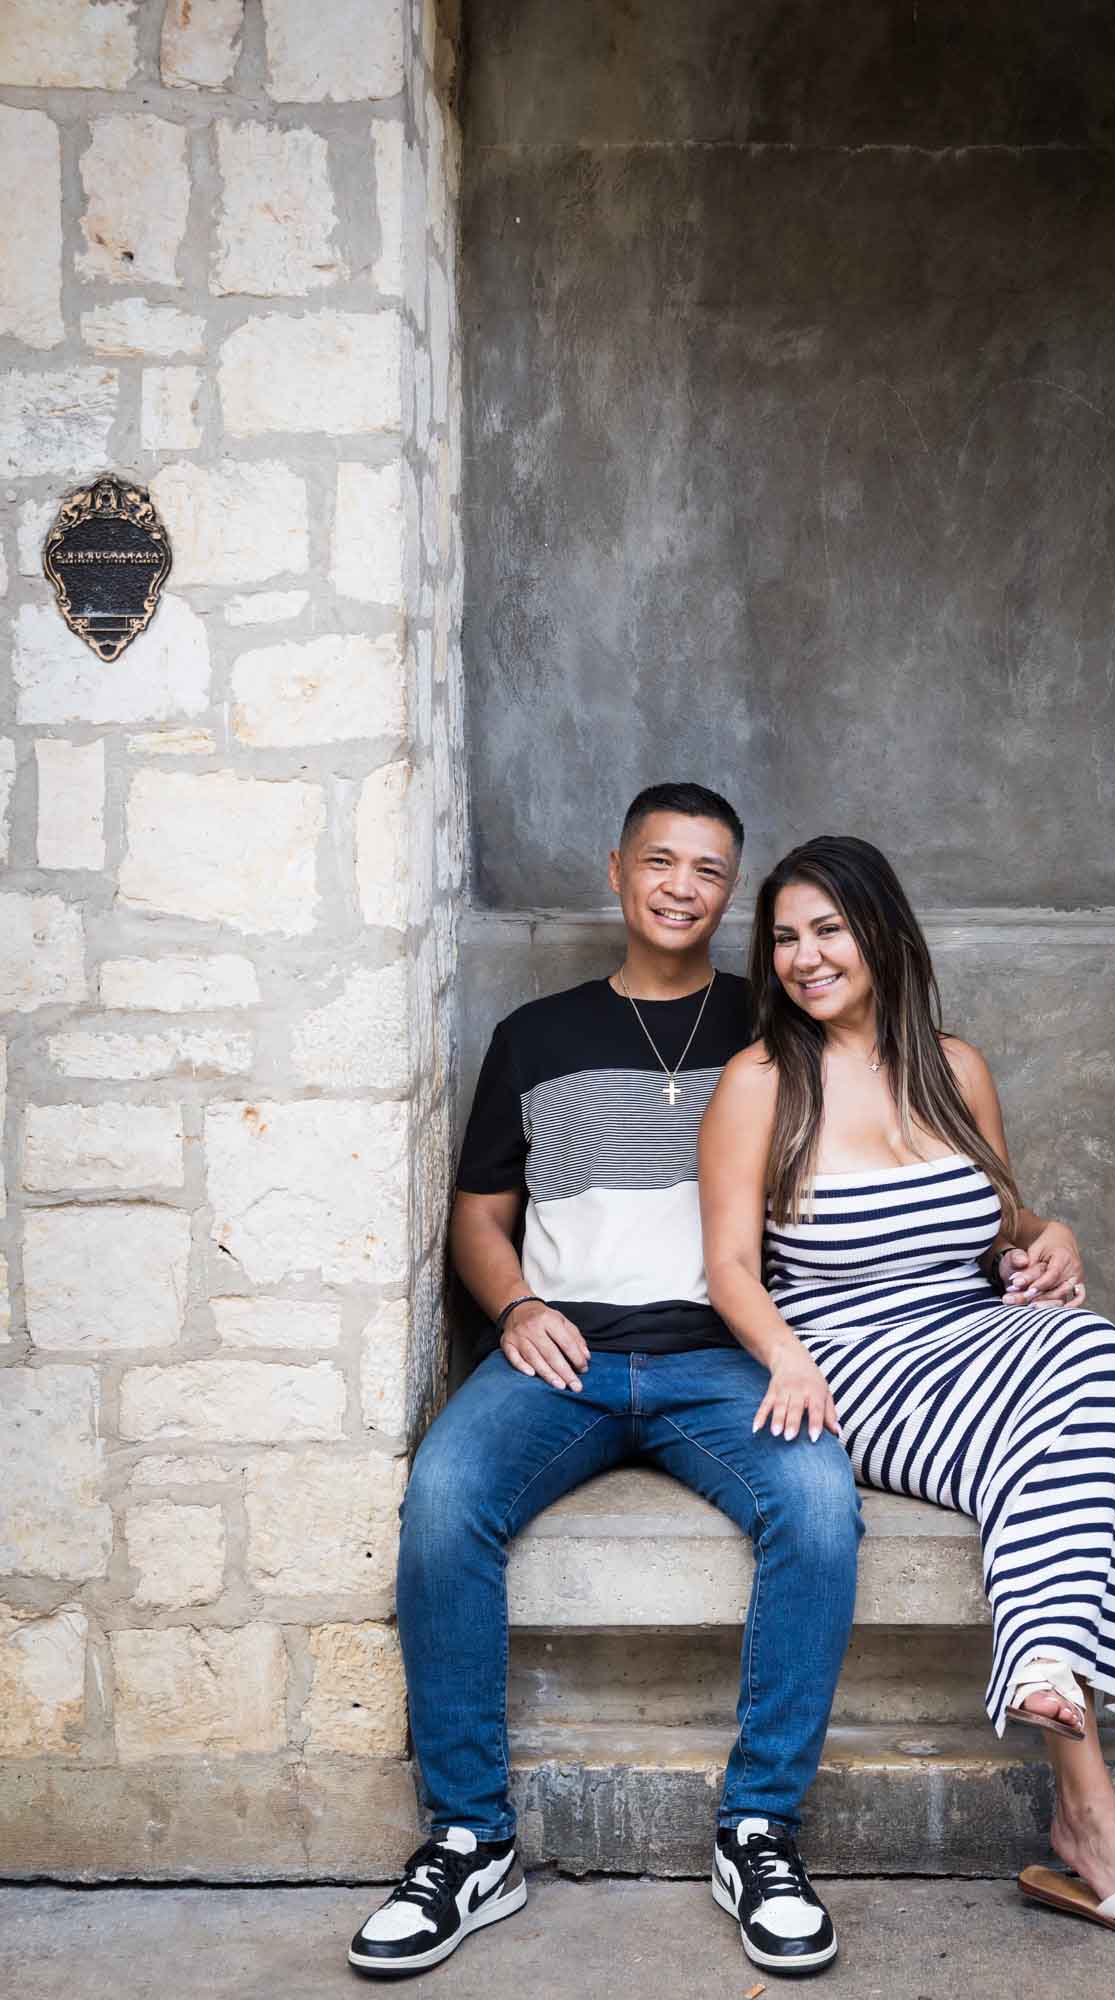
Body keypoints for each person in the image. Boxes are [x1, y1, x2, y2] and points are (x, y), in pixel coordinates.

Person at [349, 786, 863, 1981]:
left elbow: (911, 1135)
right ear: (620, 869)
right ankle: (472, 1840)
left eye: (710, 869)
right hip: (561, 1359)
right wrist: (516, 1304)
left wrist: (1030, 1228)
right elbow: (480, 1217)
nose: (683, 885)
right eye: (661, 860)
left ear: (734, 892)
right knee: (443, 1499)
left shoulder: (777, 1021)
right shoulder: (536, 1033)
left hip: (721, 1357)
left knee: (820, 1505)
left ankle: (759, 1827)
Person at [699, 835, 1115, 1942]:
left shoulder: (954, 1066)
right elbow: (730, 1268)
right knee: (1077, 1399)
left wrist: (1051, 1234)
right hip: (848, 1366)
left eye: (827, 929)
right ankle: (1087, 1811)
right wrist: (787, 1354)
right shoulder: (758, 1082)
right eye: (785, 937)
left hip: (972, 1337)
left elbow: (1004, 1225)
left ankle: (1045, 1669)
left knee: (1082, 1341)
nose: (803, 956)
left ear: (881, 932)